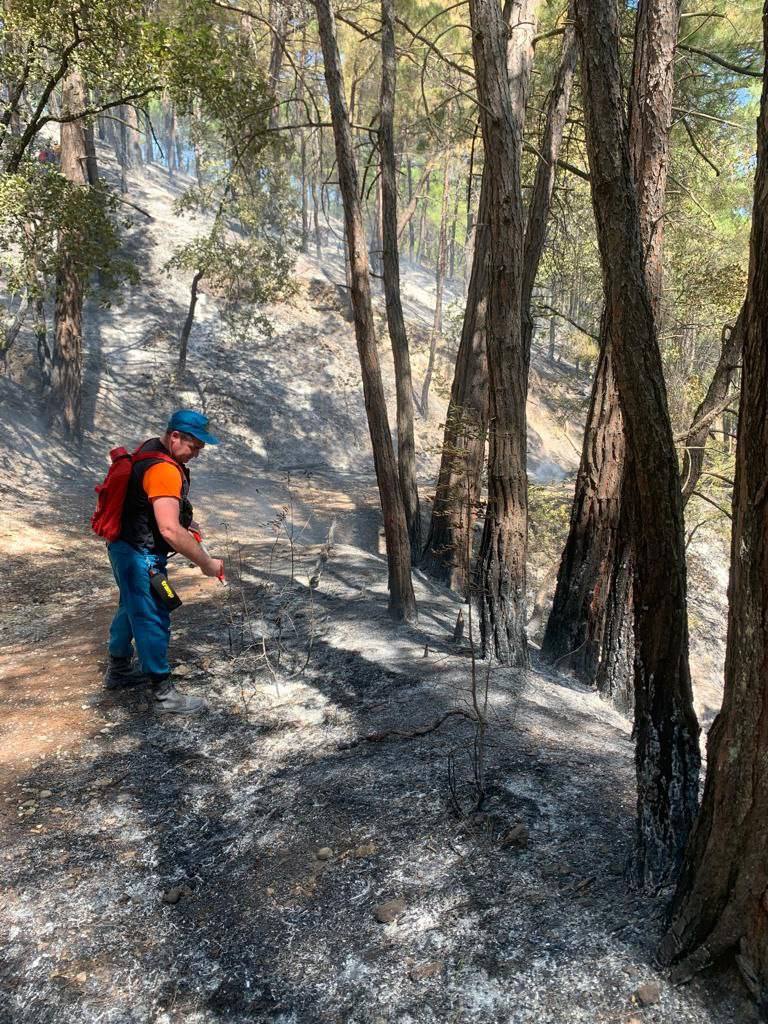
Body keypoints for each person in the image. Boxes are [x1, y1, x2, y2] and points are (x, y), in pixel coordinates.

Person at [103, 410, 225, 714]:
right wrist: (206, 563)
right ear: (175, 436)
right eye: (194, 447)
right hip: (140, 556)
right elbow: (169, 530)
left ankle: (118, 670)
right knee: (153, 616)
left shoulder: (149, 448)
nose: (197, 455)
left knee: (130, 606)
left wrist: (188, 523)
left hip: (122, 546)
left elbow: (156, 505)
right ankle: (163, 694)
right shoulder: (165, 469)